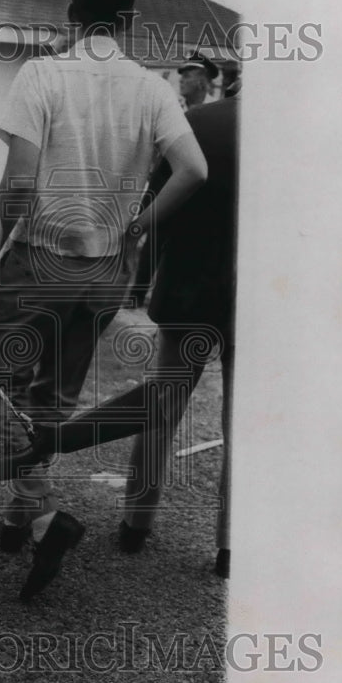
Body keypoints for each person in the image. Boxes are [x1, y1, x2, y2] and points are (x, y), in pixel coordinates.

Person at [0, 0, 208, 601]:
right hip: (107, 268)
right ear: (129, 18)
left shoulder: (42, 75)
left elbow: (18, 187)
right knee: (54, 395)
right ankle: (20, 517)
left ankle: (40, 508)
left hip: (41, 260)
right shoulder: (154, 88)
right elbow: (194, 169)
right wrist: (139, 225)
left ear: (72, 14)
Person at [119, 91, 239, 578]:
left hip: (189, 291)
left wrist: (141, 276)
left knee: (162, 412)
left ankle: (135, 523)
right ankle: (229, 547)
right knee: (242, 428)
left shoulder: (197, 122)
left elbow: (158, 208)